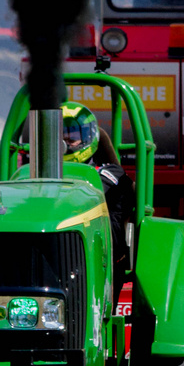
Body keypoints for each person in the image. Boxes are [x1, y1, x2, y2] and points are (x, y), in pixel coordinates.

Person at [60, 101, 132, 279]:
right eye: (60, 138)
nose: (65, 143)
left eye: (72, 137)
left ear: (88, 137)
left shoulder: (110, 173)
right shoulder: (36, 176)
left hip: (104, 260)